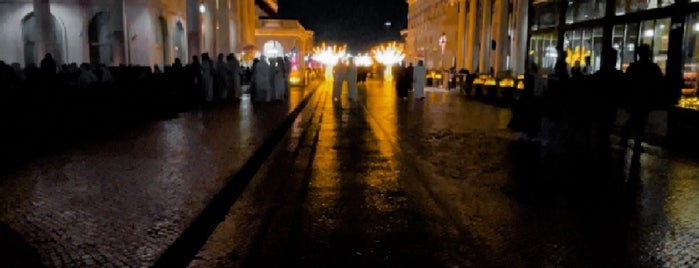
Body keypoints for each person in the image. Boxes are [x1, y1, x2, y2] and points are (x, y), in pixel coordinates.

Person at [620, 43, 664, 153]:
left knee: (634, 119)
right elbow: (659, 83)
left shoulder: (633, 68)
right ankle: (636, 143)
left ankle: (625, 138)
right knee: (641, 122)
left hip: (635, 99)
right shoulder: (653, 68)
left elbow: (627, 84)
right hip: (645, 99)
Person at [592, 47, 625, 152]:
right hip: (611, 106)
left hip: (599, 106)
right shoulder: (617, 76)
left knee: (601, 128)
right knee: (606, 127)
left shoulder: (598, 75)